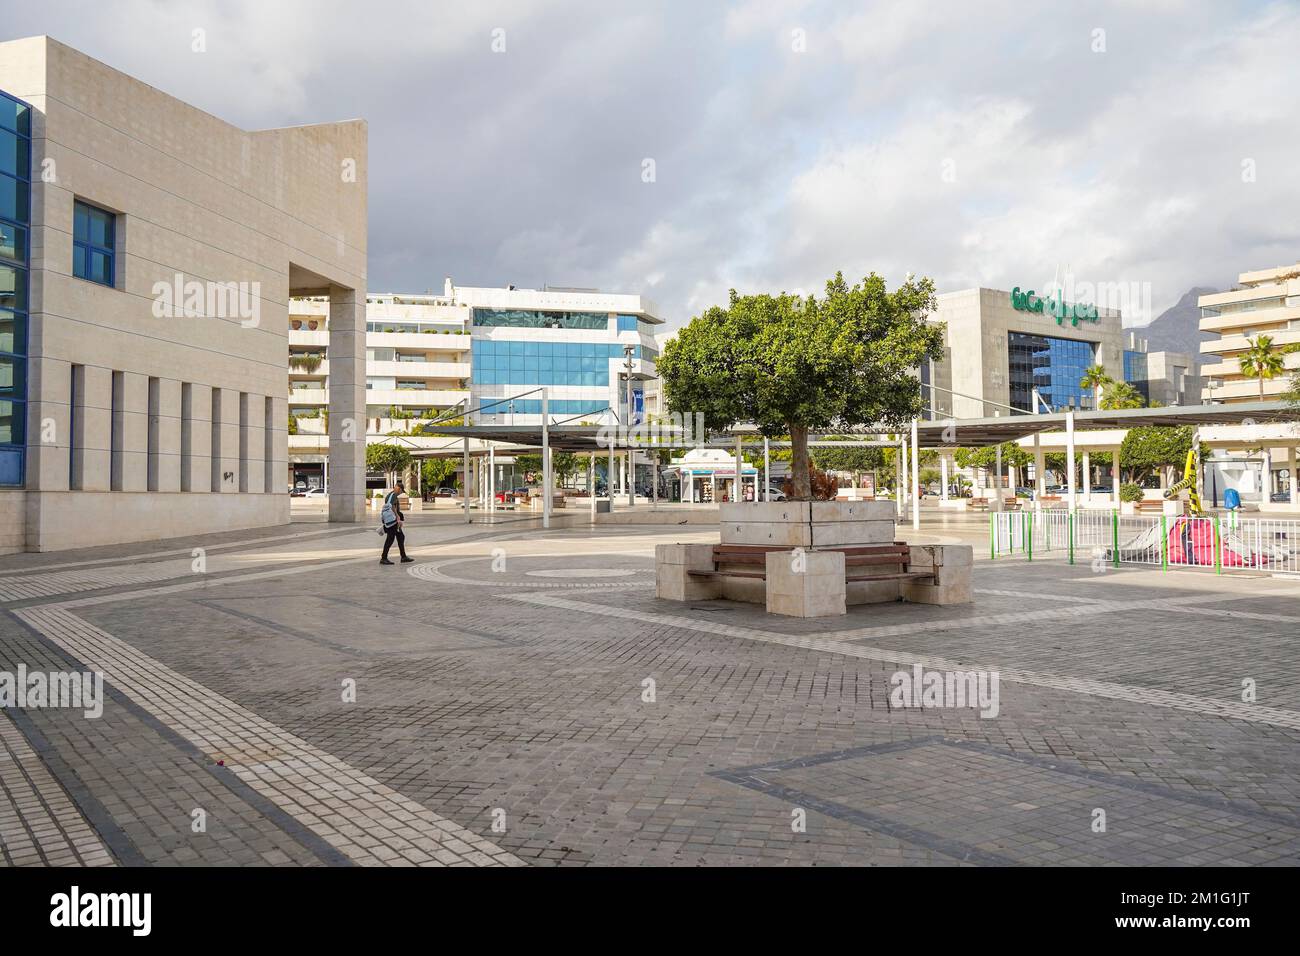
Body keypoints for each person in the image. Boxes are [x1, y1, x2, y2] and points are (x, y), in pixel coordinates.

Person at [379, 481, 413, 565]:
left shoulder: (392, 495)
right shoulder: (393, 495)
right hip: (392, 521)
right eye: (401, 491)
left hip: (392, 520)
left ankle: (403, 557)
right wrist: (398, 518)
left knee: (400, 537)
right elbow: (392, 507)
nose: (401, 493)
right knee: (390, 539)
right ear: (398, 488)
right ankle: (383, 558)